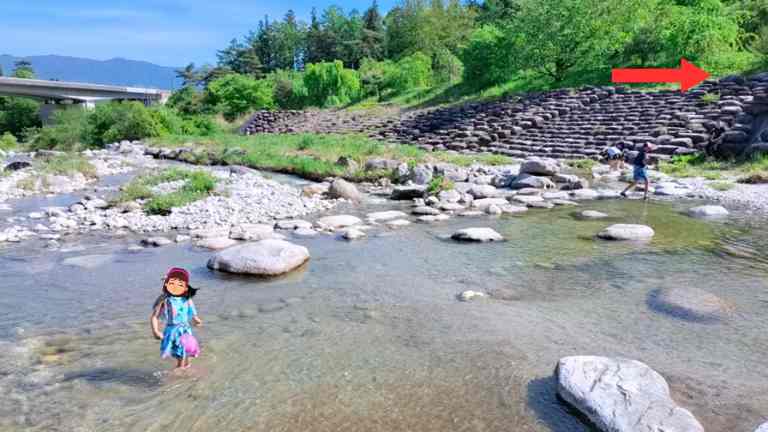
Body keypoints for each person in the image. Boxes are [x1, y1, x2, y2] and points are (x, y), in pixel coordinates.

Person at [151, 267, 202, 370]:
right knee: (180, 357)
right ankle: (177, 376)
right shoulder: (164, 299)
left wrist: (196, 319)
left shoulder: (186, 298)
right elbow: (154, 316)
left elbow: (191, 311)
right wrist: (155, 331)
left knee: (188, 355)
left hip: (186, 330)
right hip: (173, 331)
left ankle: (185, 376)